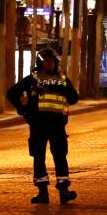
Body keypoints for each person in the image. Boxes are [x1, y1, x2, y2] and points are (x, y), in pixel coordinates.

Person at [6, 48, 80, 205]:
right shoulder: (33, 79)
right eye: (47, 61)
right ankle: (42, 193)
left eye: (52, 61)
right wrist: (23, 109)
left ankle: (64, 192)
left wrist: (61, 91)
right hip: (38, 124)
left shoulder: (63, 79)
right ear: (40, 63)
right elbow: (12, 93)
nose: (50, 64)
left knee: (60, 156)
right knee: (39, 158)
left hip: (57, 125)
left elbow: (74, 98)